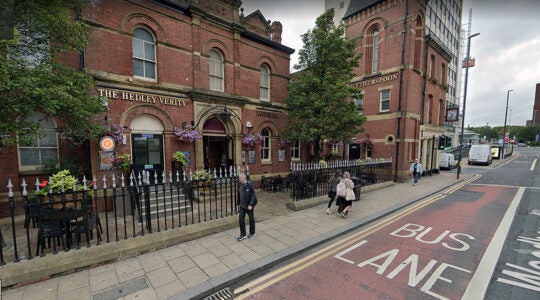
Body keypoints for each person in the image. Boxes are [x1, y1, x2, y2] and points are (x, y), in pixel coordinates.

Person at [237, 173, 257, 241]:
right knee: (240, 219)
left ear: (243, 178)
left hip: (249, 206)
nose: (239, 179)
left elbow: (253, 195)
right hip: (242, 206)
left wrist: (251, 204)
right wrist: (238, 203)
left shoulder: (249, 184)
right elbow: (239, 194)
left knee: (251, 219)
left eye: (239, 178)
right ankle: (243, 234)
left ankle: (252, 233)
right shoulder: (239, 184)